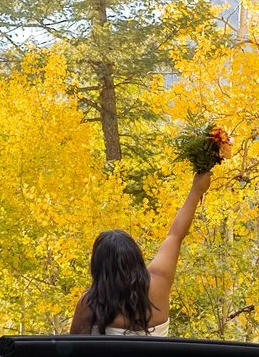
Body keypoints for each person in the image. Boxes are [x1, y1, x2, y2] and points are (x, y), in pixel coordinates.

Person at [68, 136, 224, 336]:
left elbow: (73, 353)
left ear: (99, 267)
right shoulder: (159, 281)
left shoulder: (92, 302)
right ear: (135, 257)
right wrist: (197, 190)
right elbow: (175, 235)